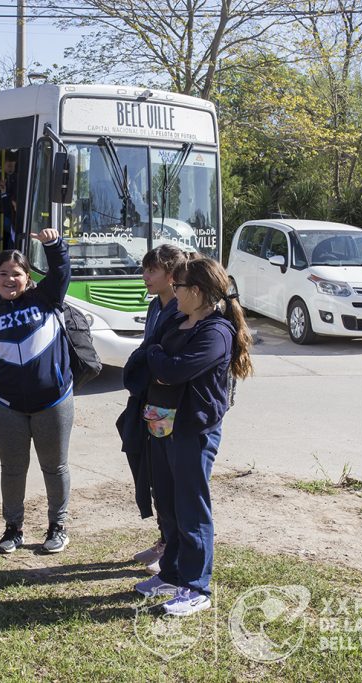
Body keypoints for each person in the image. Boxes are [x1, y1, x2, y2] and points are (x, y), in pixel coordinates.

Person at [133, 258, 253, 617]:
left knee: (191, 508)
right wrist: (157, 357)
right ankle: (171, 573)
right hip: (161, 423)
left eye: (179, 285)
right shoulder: (175, 319)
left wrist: (157, 357)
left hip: (192, 430)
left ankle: (196, 586)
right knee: (167, 502)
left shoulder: (216, 332)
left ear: (196, 291)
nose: (174, 288)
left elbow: (175, 368)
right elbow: (149, 354)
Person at [0, 227, 74, 554]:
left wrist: (54, 246)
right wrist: (3, 374)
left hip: (53, 401)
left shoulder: (47, 298)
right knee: (12, 470)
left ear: (28, 277)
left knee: (55, 467)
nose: (9, 279)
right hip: (8, 406)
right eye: (2, 274)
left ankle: (58, 525)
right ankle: (13, 528)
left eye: (16, 274)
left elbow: (61, 271)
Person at [121, 244, 189, 575]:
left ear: (172, 275)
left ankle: (172, 546)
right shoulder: (155, 306)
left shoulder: (182, 309)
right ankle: (164, 538)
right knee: (153, 473)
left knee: (169, 478)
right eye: (145, 269)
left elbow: (163, 357)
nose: (145, 276)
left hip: (169, 405)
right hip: (150, 401)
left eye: (152, 271)